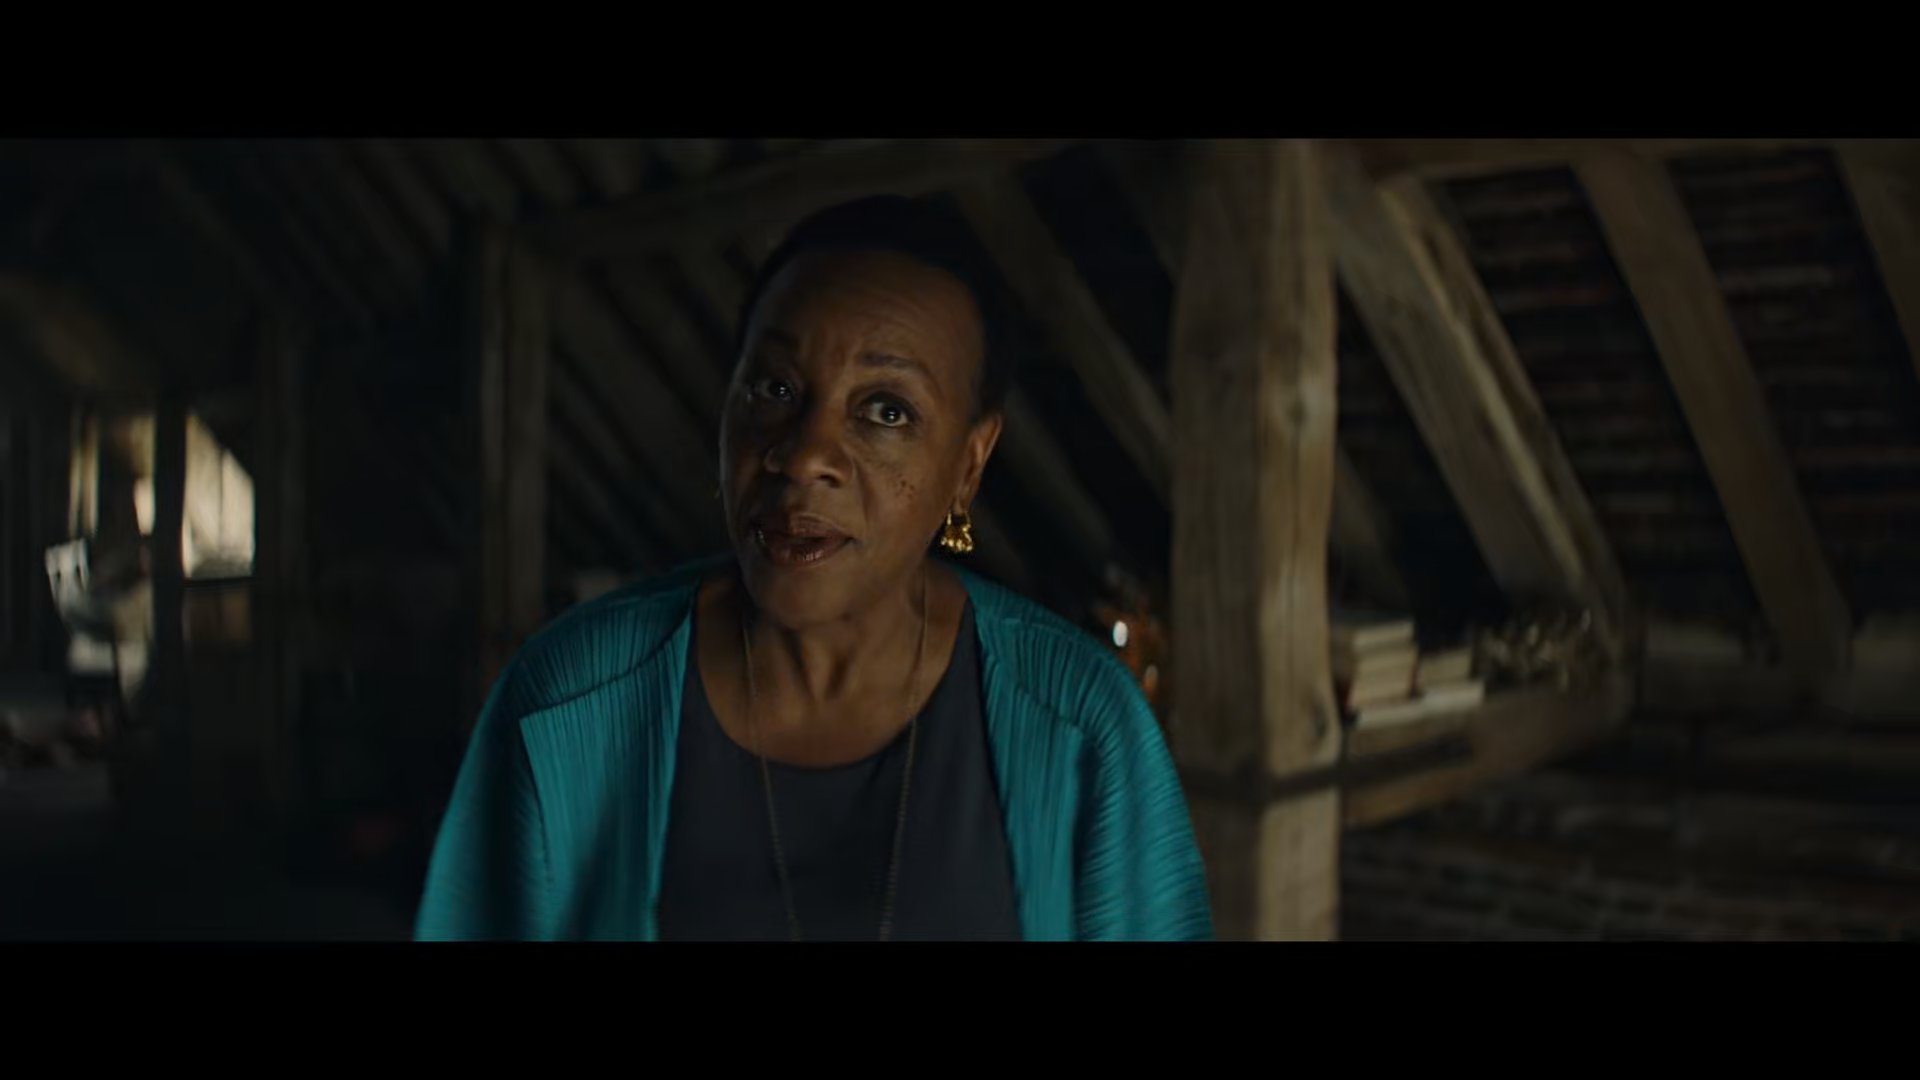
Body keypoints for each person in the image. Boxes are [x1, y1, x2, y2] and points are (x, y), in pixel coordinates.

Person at [415, 195, 1212, 941]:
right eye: (774, 388)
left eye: (886, 410)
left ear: (968, 464)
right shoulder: (565, 704)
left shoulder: (1083, 727)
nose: (803, 457)